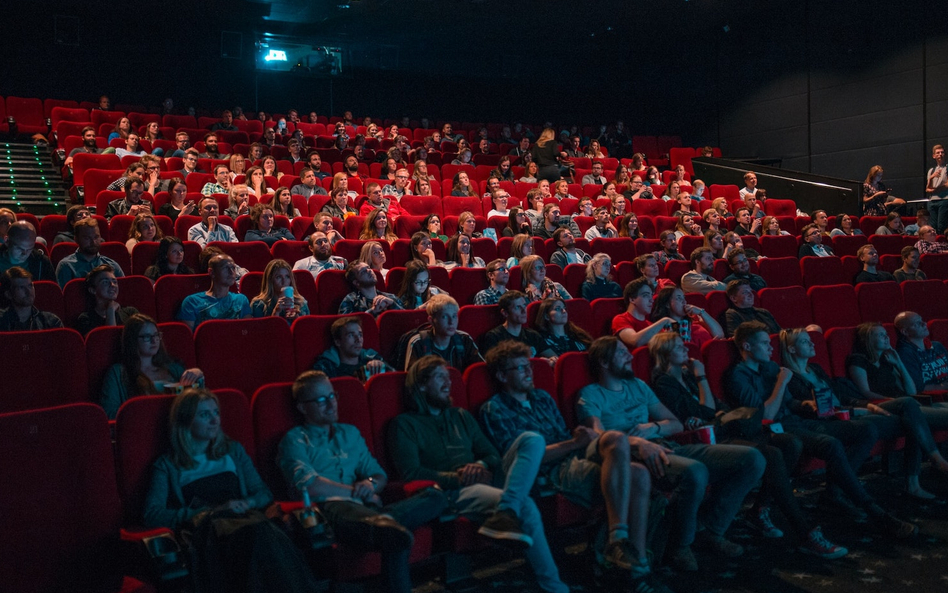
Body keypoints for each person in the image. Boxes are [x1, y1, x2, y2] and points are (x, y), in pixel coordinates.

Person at [479, 341, 672, 591]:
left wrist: (581, 439)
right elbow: (521, 460)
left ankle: (626, 551)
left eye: (528, 366)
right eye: (520, 368)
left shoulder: (541, 398)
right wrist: (573, 443)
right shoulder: (495, 409)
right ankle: (633, 568)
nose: (529, 372)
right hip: (551, 469)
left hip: (573, 453)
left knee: (618, 442)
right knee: (637, 475)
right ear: (502, 375)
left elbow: (564, 436)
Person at [648, 333, 848, 559]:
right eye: (677, 346)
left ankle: (760, 508)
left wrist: (713, 405)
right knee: (771, 455)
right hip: (711, 438)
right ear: (664, 354)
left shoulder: (688, 375)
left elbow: (716, 406)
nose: (685, 348)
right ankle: (804, 531)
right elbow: (704, 411)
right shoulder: (665, 382)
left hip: (729, 428)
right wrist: (703, 378)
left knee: (790, 443)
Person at [579, 336, 766, 569]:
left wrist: (653, 427)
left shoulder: (638, 386)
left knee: (752, 459)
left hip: (667, 444)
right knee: (695, 472)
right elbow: (599, 438)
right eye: (621, 353)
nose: (630, 356)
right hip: (634, 456)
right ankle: (681, 545)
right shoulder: (591, 394)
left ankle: (711, 529)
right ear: (604, 363)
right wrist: (637, 442)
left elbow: (675, 424)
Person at [388, 356, 571, 593]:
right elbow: (412, 473)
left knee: (532, 439)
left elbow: (493, 455)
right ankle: (554, 587)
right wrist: (459, 477)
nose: (448, 383)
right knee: (525, 505)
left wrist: (481, 463)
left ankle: (506, 510)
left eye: (449, 377)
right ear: (421, 385)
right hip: (453, 491)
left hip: (486, 478)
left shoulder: (460, 416)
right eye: (440, 377)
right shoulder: (404, 424)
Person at [725, 322, 918, 539]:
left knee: (865, 430)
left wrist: (807, 405)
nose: (771, 348)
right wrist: (781, 383)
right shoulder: (738, 376)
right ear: (747, 346)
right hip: (773, 430)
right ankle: (874, 511)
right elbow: (766, 414)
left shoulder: (769, 368)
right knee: (830, 444)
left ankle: (834, 494)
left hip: (796, 421)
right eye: (764, 343)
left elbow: (789, 404)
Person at [278, 371, 446, 593]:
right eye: (321, 400)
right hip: (329, 512)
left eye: (332, 396)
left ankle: (385, 522)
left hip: (366, 509)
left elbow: (378, 475)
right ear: (302, 408)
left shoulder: (350, 433)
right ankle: (386, 524)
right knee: (391, 533)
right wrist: (355, 492)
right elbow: (308, 485)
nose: (331, 404)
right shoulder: (295, 440)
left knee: (435, 496)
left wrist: (369, 485)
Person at [145, 389, 318, 593]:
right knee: (260, 536)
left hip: (246, 520)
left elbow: (263, 493)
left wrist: (248, 503)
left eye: (216, 412)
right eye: (204, 415)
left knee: (262, 534)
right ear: (185, 421)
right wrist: (211, 511)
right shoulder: (167, 465)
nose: (214, 420)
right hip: (209, 531)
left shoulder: (232, 451)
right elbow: (152, 514)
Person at [100, 314, 204, 418]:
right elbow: (109, 413)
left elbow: (197, 403)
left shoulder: (173, 368)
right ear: (132, 340)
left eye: (156, 335)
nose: (154, 341)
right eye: (147, 337)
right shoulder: (118, 373)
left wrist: (198, 376)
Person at [177, 254, 251, 330]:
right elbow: (188, 337)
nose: (231, 272)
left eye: (233, 268)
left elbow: (247, 332)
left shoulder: (241, 300)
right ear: (211, 272)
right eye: (225, 268)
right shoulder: (192, 302)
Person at [479, 291, 554, 360]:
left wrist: (550, 361)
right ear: (505, 313)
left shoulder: (533, 335)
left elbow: (553, 357)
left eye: (524, 306)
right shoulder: (494, 337)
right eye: (517, 307)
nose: (524, 311)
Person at [313, 316, 391, 381]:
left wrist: (382, 366)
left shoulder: (372, 359)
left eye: (360, 335)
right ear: (338, 342)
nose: (358, 340)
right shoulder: (327, 368)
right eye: (351, 335)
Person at [55, 218, 125, 287]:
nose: (93, 242)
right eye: (87, 238)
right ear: (76, 239)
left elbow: (124, 293)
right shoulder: (66, 266)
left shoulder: (112, 265)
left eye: (96, 237)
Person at [651, 286, 724, 348]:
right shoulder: (664, 329)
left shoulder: (695, 321)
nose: (684, 302)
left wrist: (701, 312)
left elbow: (720, 335)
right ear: (667, 304)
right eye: (679, 298)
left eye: (684, 298)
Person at [76, 264, 137, 335]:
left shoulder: (130, 313)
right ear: (93, 290)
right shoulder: (86, 319)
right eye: (105, 282)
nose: (112, 285)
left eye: (114, 282)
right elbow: (109, 340)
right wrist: (110, 310)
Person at [613, 278, 674, 349]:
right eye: (646, 295)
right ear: (632, 299)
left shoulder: (650, 325)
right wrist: (664, 321)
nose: (651, 300)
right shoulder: (621, 319)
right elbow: (635, 341)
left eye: (651, 295)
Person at [895, 311, 948, 391]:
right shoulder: (905, 354)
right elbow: (918, 387)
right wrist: (943, 387)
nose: (924, 324)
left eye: (922, 320)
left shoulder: (937, 346)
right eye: (917, 323)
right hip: (932, 398)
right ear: (905, 332)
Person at [0, 266, 63, 331]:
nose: (28, 291)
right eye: (21, 287)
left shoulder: (51, 322)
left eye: (30, 286)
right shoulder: (2, 321)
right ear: (8, 294)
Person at [926, 145, 948, 233]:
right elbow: (927, 189)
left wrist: (934, 190)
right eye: (938, 153)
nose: (940, 154)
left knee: (941, 226)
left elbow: (947, 185)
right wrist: (931, 178)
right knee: (933, 226)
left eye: (942, 152)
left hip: (944, 200)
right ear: (934, 156)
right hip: (932, 201)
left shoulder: (947, 168)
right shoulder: (931, 170)